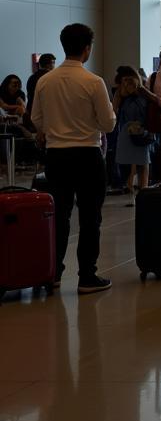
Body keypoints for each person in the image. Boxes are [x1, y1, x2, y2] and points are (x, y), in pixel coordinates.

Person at [31, 23, 116, 293]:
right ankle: (87, 276)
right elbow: (108, 123)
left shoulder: (45, 80)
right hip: (88, 155)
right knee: (91, 217)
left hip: (56, 156)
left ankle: (53, 273)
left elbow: (36, 119)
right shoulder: (93, 81)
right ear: (87, 49)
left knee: (59, 215)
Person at [113, 69, 161, 204]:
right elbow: (113, 112)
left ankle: (142, 193)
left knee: (143, 163)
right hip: (126, 132)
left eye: (131, 80)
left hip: (142, 131)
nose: (128, 84)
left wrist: (144, 91)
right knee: (128, 163)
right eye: (125, 81)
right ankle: (131, 190)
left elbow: (160, 103)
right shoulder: (120, 95)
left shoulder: (144, 94)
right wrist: (119, 94)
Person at [23, 52, 56, 132]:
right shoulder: (50, 78)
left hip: (31, 111)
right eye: (54, 63)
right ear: (50, 64)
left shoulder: (31, 78)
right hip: (45, 115)